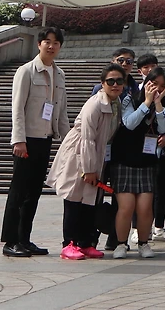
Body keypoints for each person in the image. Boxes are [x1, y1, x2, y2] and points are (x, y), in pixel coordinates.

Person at [46, 63, 125, 260]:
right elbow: (88, 138)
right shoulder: (95, 104)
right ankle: (69, 243)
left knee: (91, 201)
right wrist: (89, 169)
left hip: (97, 153)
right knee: (74, 199)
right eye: (110, 81)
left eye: (119, 81)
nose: (115, 85)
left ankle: (86, 242)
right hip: (79, 153)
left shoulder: (117, 103)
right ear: (102, 83)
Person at [1, 26, 68, 258]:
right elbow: (17, 107)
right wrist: (18, 139)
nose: (51, 46)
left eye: (56, 43)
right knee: (19, 191)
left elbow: (61, 110)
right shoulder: (26, 71)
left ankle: (24, 239)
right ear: (39, 44)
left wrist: (67, 139)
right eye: (47, 41)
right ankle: (10, 241)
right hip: (26, 141)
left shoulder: (59, 74)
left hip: (44, 139)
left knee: (34, 192)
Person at [110, 65, 165, 259]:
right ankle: (121, 243)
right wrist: (146, 102)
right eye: (154, 84)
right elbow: (129, 123)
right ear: (146, 82)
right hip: (125, 159)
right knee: (126, 206)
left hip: (148, 161)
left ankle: (144, 243)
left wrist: (159, 104)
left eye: (162, 86)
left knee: (145, 207)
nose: (157, 89)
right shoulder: (131, 98)